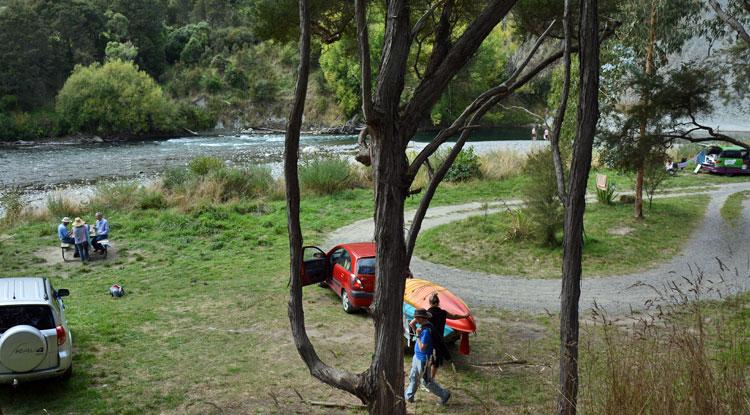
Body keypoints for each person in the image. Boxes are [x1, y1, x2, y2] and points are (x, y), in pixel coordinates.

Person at [404, 309, 451, 405]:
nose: (414, 319)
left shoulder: (426, 331)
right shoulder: (422, 326)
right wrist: (414, 327)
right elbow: (412, 325)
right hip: (416, 356)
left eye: (416, 317)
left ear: (421, 318)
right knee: (413, 377)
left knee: (426, 382)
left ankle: (444, 394)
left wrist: (417, 335)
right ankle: (408, 396)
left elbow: (422, 348)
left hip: (423, 360)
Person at [424, 293, 469, 381]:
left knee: (428, 359)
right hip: (440, 340)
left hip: (430, 340)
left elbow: (420, 321)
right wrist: (465, 315)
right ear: (439, 302)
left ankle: (426, 379)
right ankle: (432, 379)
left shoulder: (427, 313)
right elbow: (454, 316)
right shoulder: (443, 313)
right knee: (436, 361)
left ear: (430, 302)